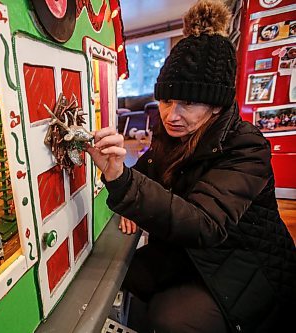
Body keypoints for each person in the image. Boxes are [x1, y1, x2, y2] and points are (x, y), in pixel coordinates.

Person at [86, 1, 296, 332]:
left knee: (171, 317)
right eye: (167, 101)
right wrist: (124, 182)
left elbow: (205, 224)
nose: (172, 115)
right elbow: (144, 175)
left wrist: (123, 183)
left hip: (246, 266)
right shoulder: (170, 134)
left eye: (189, 103)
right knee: (122, 274)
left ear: (216, 106)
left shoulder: (246, 146)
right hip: (189, 254)